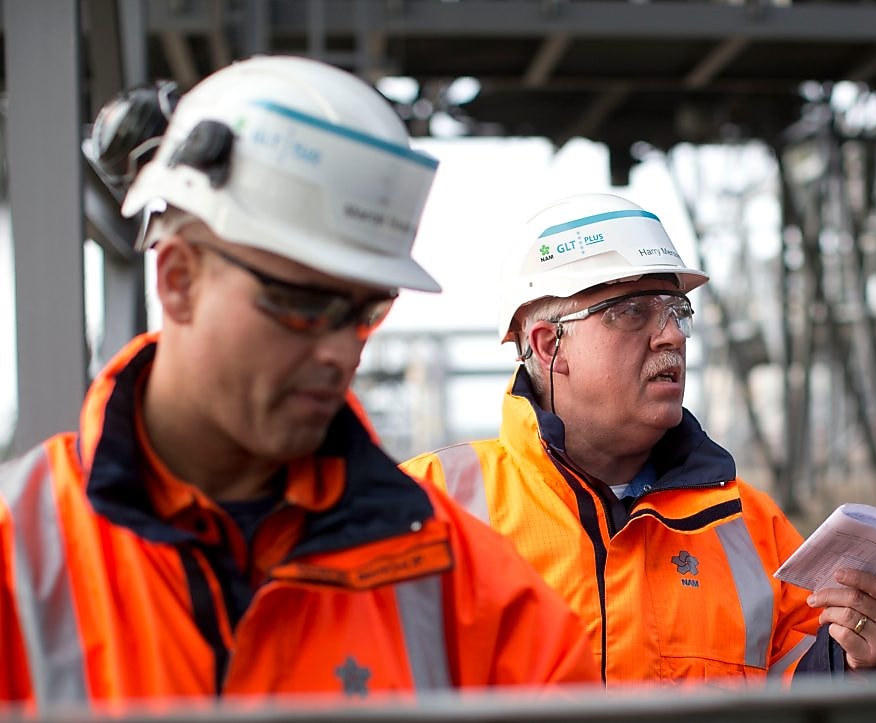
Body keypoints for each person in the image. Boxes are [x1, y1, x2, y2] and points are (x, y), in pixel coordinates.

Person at [0, 56, 596, 709]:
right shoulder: (19, 557)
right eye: (303, 303)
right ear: (178, 279)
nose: (342, 351)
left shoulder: (464, 587)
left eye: (364, 310)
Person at [401, 192, 876, 686]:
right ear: (549, 345)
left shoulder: (751, 529)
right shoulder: (425, 507)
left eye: (677, 311)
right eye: (631, 312)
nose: (672, 335)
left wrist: (864, 662)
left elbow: (805, 701)